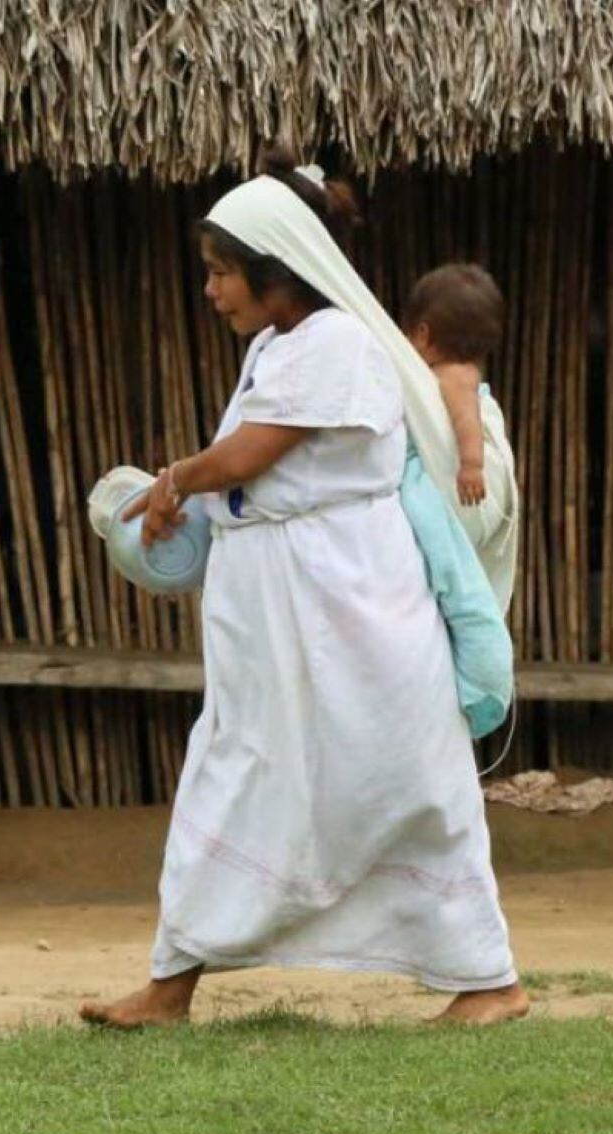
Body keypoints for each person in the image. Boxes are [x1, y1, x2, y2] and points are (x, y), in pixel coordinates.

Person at [78, 149, 529, 1029]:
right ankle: (172, 982)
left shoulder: (340, 344)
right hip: (279, 617)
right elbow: (248, 481)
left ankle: (490, 978)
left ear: (276, 269)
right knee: (235, 769)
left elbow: (249, 458)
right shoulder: (277, 347)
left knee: (407, 782)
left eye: (221, 273)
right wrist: (183, 506)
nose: (211, 291)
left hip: (351, 610)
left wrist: (175, 482)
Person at [405, 263, 520, 613]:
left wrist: (471, 464)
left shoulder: (454, 376)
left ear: (422, 334)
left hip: (464, 477)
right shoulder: (450, 374)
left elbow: (466, 419)